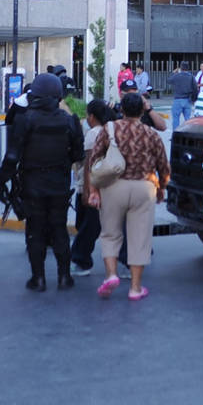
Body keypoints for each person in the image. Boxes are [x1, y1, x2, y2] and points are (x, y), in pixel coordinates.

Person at [0, 72, 84, 291]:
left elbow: (12, 156)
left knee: (35, 230)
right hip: (59, 183)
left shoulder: (24, 119)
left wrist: (2, 182)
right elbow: (77, 155)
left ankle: (38, 279)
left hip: (33, 182)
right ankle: (64, 277)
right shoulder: (69, 120)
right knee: (59, 229)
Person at [85, 92, 170, 301]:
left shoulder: (110, 129)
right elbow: (164, 167)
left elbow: (93, 160)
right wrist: (162, 189)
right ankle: (135, 288)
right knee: (139, 239)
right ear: (142, 111)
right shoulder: (151, 134)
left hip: (114, 187)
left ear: (121, 109)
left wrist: (94, 190)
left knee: (110, 234)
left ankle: (112, 275)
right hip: (144, 188)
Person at [69, 99, 113, 277]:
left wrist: (87, 189)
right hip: (109, 185)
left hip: (91, 185)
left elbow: (89, 163)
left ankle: (81, 259)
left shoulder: (93, 133)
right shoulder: (111, 130)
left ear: (92, 116)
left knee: (88, 224)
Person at [168, 61, 197, 130]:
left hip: (177, 99)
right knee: (187, 119)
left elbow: (168, 80)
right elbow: (195, 89)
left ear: (181, 68)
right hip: (187, 100)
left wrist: (173, 72)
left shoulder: (176, 76)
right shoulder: (191, 77)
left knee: (176, 119)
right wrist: (193, 99)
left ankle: (175, 135)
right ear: (188, 68)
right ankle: (188, 134)